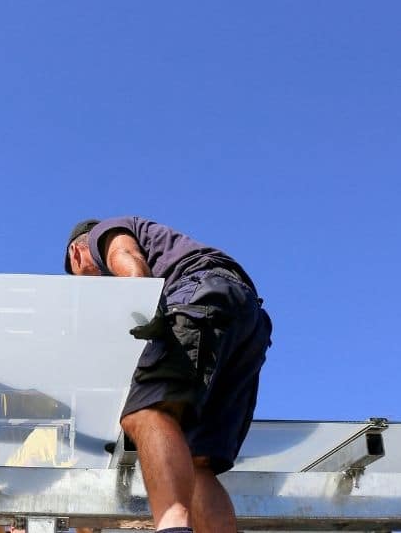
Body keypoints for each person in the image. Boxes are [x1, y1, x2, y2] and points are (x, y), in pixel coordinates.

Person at [64, 217, 272, 533]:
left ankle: (172, 526)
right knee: (196, 462)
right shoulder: (169, 245)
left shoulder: (104, 235)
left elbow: (130, 263)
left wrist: (145, 309)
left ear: (77, 254)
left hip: (199, 295)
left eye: (82, 278)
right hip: (247, 320)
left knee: (144, 413)